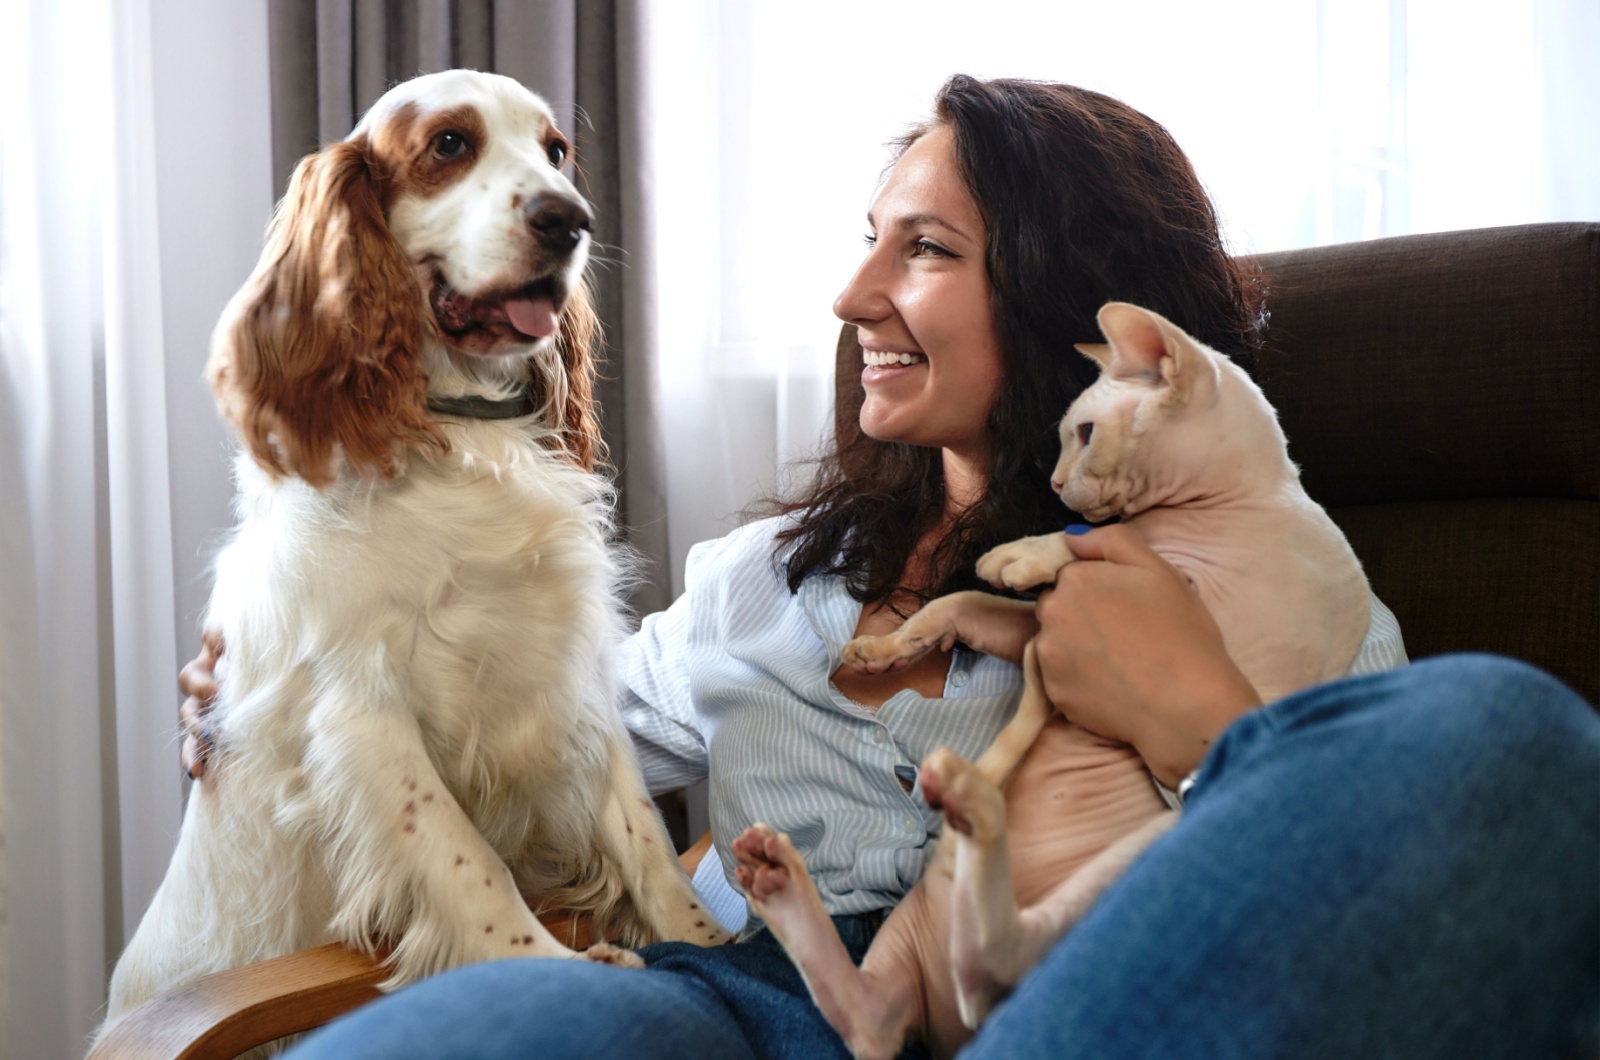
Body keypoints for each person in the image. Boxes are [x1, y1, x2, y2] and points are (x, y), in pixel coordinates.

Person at [176, 75, 1599, 1060]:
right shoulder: (752, 582)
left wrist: (1199, 716)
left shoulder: (1258, 567)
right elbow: (506, 722)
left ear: (1059, 286)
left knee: (1500, 727)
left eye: (922, 251)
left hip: (1078, 996)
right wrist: (276, 683)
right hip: (729, 1007)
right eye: (868, 244)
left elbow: (1386, 852)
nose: (854, 297)